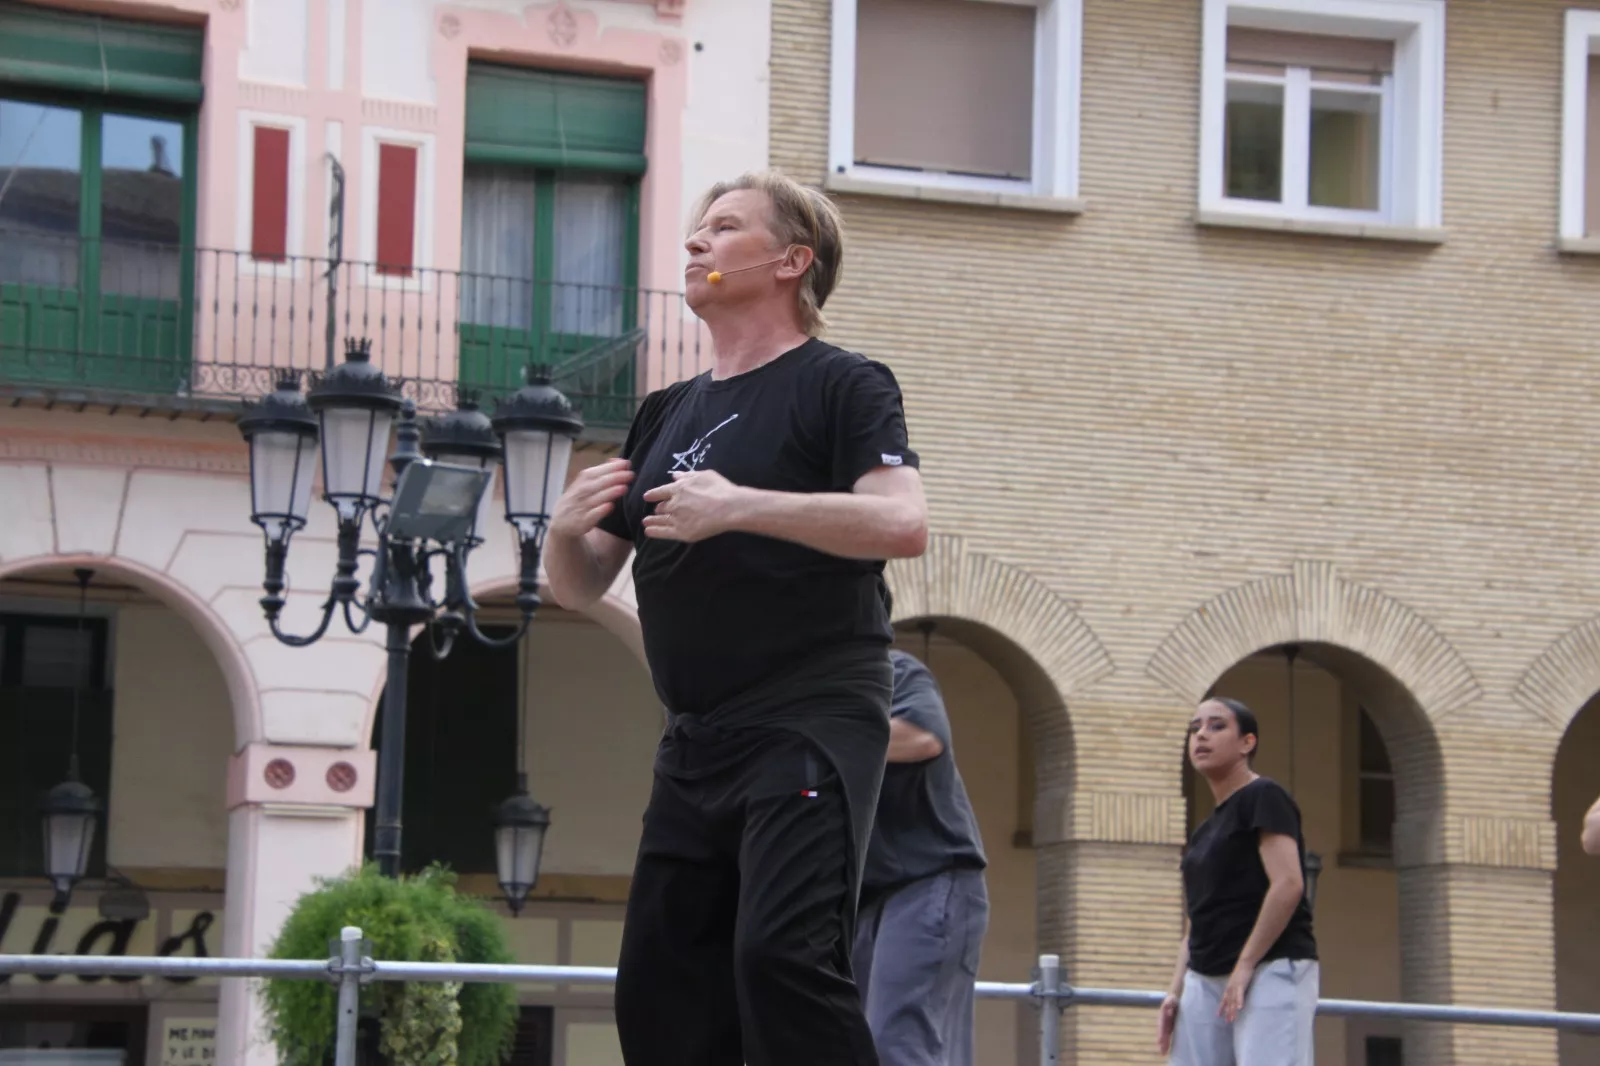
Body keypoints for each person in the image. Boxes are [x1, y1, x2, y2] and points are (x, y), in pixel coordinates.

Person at [543, 169, 929, 1066]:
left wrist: (741, 506)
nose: (694, 243)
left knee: (780, 961)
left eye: (722, 228)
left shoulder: (844, 384)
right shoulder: (663, 414)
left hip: (808, 718)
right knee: (660, 981)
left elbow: (902, 523)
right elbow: (581, 582)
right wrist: (563, 533)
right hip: (694, 740)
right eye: (696, 229)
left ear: (793, 260)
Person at [1158, 697, 1320, 1066]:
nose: (1201, 735)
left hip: (1270, 967)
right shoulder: (1204, 833)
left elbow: (1289, 884)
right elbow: (1196, 921)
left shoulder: (1264, 796)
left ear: (1248, 743)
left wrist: (1245, 965)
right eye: (1195, 728)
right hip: (1205, 975)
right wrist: (1174, 992)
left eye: (1216, 726)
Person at [853, 648, 989, 1066]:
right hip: (868, 899)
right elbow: (812, 791)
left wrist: (827, 736)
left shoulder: (892, 668)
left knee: (896, 1044)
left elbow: (922, 736)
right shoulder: (803, 696)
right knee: (853, 1043)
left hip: (930, 881)